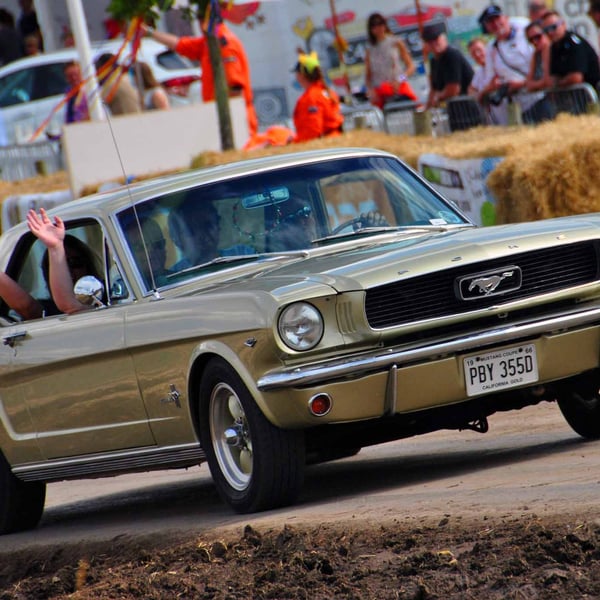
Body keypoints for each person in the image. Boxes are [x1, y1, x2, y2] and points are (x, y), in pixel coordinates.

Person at [144, 15, 258, 136]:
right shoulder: (208, 42)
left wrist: (234, 125)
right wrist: (149, 33)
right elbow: (180, 44)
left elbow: (235, 88)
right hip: (224, 117)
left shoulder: (224, 43)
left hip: (234, 120)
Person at [23, 208, 102, 316]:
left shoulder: (111, 294)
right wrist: (55, 247)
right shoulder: (48, 308)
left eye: (75, 263)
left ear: (88, 265)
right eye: (61, 265)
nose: (68, 271)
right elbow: (26, 306)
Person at [478, 5, 540, 125]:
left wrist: (522, 83)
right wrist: (495, 86)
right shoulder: (491, 48)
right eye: (491, 22)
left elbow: (540, 63)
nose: (496, 24)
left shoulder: (525, 31)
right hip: (517, 107)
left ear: (506, 18)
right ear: (487, 27)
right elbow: (490, 78)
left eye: (497, 19)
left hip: (537, 98)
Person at [364, 12, 417, 109]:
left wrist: (399, 80)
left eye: (380, 24)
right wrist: (370, 90)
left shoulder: (395, 42)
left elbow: (411, 67)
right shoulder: (369, 50)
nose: (378, 28)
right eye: (374, 26)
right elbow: (368, 76)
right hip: (381, 94)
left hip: (398, 89)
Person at [292, 51, 344, 143]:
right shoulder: (327, 91)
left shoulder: (311, 97)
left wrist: (294, 143)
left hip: (324, 143)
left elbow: (312, 130)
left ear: (302, 75)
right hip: (334, 139)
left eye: (297, 73)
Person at [542, 11, 600, 89]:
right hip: (572, 98)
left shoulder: (574, 42)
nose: (550, 32)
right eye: (546, 30)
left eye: (553, 27)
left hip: (593, 94)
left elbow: (576, 78)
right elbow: (551, 79)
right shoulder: (554, 47)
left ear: (563, 24)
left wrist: (558, 84)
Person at [422, 22, 474, 109]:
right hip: (453, 111)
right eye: (430, 42)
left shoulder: (451, 55)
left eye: (436, 39)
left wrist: (438, 97)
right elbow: (433, 89)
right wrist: (426, 109)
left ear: (443, 38)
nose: (434, 44)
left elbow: (453, 90)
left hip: (468, 108)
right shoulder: (434, 61)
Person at [522, 21, 556, 123]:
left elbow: (549, 82)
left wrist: (538, 84)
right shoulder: (536, 54)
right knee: (526, 117)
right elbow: (528, 86)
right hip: (549, 99)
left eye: (538, 37)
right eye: (531, 40)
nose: (535, 42)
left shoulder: (553, 49)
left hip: (562, 101)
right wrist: (542, 83)